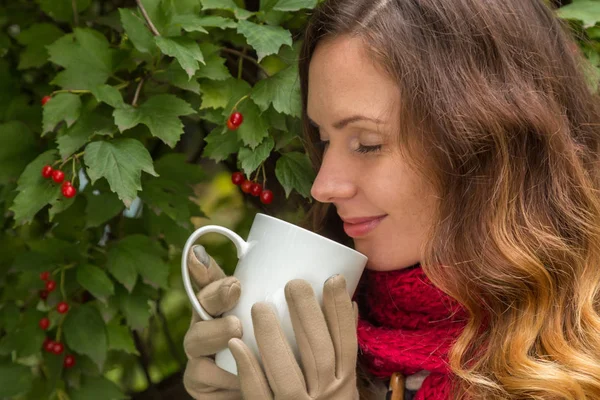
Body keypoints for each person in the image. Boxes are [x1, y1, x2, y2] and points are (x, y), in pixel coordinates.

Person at [182, 0, 600, 398]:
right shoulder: (350, 337)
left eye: (366, 144)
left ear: (485, 142)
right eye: (324, 141)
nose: (323, 186)